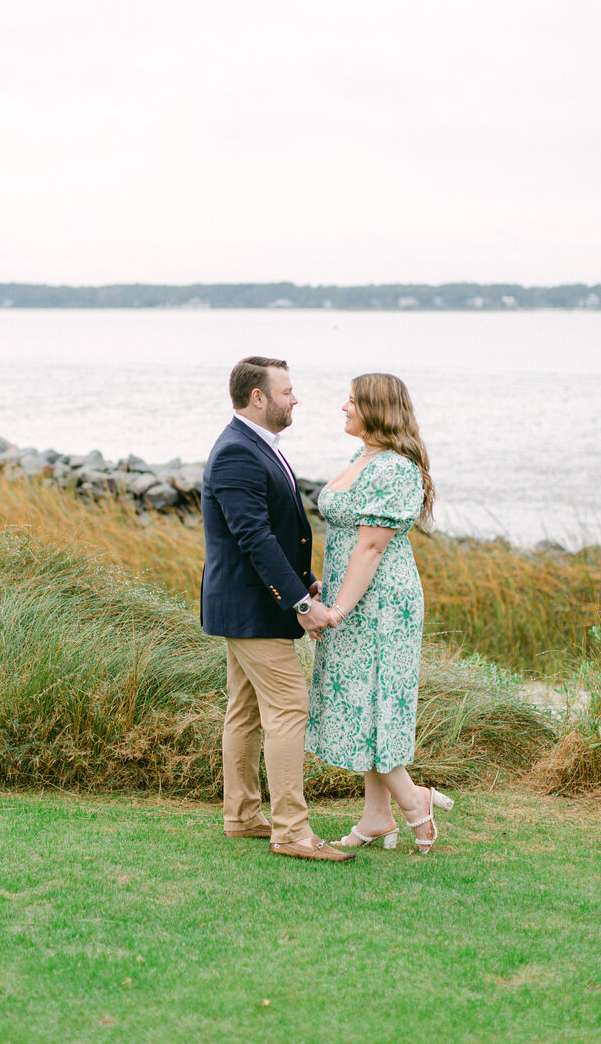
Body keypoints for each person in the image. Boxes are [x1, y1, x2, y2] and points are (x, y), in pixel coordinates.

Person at [201, 356, 353, 863]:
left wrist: (305, 578)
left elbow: (276, 533)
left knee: (243, 711)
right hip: (252, 607)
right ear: (258, 397)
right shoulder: (237, 453)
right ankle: (291, 831)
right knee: (288, 708)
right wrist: (302, 603)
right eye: (287, 391)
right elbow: (254, 538)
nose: (295, 399)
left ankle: (242, 814)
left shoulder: (256, 446)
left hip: (249, 604)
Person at [304, 373, 454, 854]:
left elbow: (370, 546)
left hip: (383, 604)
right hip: (354, 595)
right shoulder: (363, 457)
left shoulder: (394, 468)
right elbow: (352, 541)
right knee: (361, 701)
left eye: (351, 401)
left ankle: (415, 804)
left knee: (377, 703)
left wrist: (336, 610)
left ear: (376, 408)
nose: (343, 408)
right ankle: (376, 815)